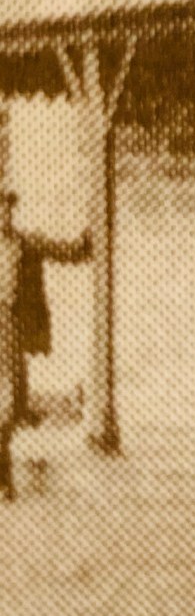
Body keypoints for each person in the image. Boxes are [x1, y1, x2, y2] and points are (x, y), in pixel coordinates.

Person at [0, 192, 90, 501]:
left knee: (11, 407)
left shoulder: (27, 243)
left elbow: (69, 252)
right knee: (6, 406)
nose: (4, 214)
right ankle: (2, 480)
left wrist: (89, 237)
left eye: (7, 208)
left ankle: (2, 479)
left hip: (11, 333)